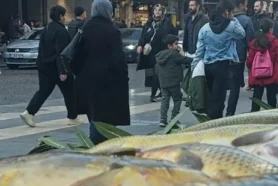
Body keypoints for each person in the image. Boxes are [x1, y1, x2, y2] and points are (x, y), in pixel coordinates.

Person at [72, 0, 130, 144]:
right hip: (108, 82)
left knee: (93, 114)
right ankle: (100, 146)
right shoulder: (112, 31)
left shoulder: (85, 27)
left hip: (87, 81)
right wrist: (124, 78)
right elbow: (119, 59)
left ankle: (95, 144)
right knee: (106, 118)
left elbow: (77, 55)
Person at [20, 6, 76, 127]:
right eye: (64, 15)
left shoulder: (47, 28)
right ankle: (72, 117)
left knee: (43, 91)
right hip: (56, 67)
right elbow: (61, 52)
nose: (65, 17)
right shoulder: (61, 31)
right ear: (61, 16)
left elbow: (42, 48)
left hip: (44, 65)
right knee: (69, 91)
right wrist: (63, 71)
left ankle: (29, 112)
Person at [191, 0, 245, 119]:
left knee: (211, 94)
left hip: (208, 65)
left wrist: (193, 67)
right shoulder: (231, 26)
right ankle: (215, 119)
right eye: (232, 12)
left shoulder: (205, 29)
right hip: (223, 66)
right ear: (227, 12)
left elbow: (199, 51)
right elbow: (242, 34)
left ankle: (212, 117)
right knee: (219, 96)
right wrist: (233, 19)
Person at [247, 19, 278, 111]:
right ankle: (271, 113)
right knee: (272, 96)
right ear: (270, 29)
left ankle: (254, 114)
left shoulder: (255, 42)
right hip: (272, 74)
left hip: (257, 74)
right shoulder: (274, 40)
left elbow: (250, 60)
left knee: (257, 96)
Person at [137, 5, 177, 102]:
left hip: (162, 51)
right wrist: (140, 45)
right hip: (150, 53)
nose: (157, 11)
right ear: (153, 11)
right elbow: (143, 35)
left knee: (156, 73)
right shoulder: (149, 23)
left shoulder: (167, 23)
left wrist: (171, 45)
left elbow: (173, 34)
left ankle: (153, 95)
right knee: (155, 74)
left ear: (162, 12)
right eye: (155, 10)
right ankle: (162, 92)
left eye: (159, 10)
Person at [156, 34, 192, 127]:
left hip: (163, 82)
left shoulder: (159, 55)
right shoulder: (174, 54)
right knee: (177, 99)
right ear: (169, 46)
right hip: (174, 82)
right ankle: (174, 118)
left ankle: (163, 120)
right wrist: (182, 52)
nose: (177, 46)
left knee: (165, 100)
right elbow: (187, 60)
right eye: (176, 44)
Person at [227, 0, 255, 116]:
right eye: (245, 5)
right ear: (241, 5)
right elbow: (250, 41)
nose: (246, 7)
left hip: (223, 56)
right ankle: (230, 112)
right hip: (239, 57)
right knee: (235, 87)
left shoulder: (224, 18)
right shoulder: (246, 20)